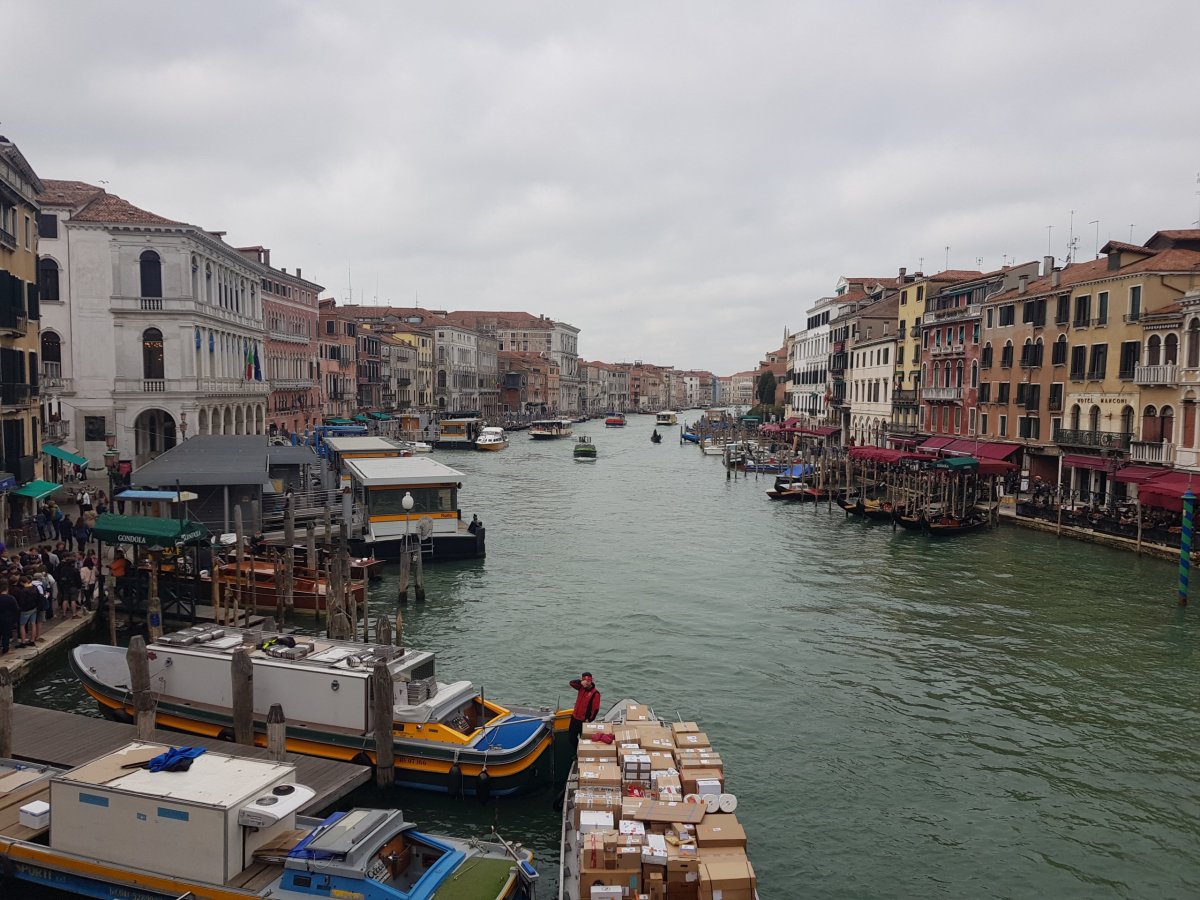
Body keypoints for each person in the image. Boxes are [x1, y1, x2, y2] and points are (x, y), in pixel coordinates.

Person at [568, 672, 601, 747]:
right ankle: (577, 750)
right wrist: (580, 682)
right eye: (585, 681)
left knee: (584, 740)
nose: (586, 684)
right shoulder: (580, 687)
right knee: (571, 738)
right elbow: (571, 683)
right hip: (574, 718)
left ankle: (580, 754)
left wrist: (589, 720)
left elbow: (595, 709)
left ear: (591, 681)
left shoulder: (595, 693)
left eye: (588, 681)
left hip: (584, 720)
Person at [0, 579, 18, 655]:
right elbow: (16, 609)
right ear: (7, 589)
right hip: (8, 619)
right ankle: (5, 649)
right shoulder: (11, 598)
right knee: (6, 635)